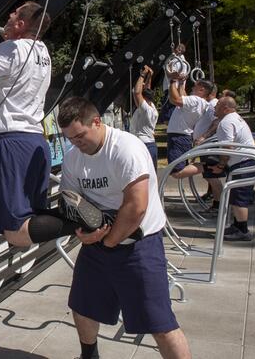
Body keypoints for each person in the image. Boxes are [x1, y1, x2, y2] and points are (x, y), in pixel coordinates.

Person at [58, 97, 191, 359]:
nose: (76, 143)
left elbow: (136, 206)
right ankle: (89, 356)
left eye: (80, 136)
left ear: (96, 122)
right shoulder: (74, 158)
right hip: (98, 243)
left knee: (160, 324)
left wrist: (108, 242)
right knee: (82, 307)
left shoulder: (126, 148)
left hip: (138, 244)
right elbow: (70, 199)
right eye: (70, 139)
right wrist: (84, 232)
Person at [0, 1, 93, 247]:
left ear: (21, 24)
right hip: (36, 141)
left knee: (15, 232)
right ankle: (79, 217)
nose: (8, 17)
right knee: (32, 216)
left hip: (11, 141)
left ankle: (76, 222)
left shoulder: (12, 48)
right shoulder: (42, 51)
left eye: (13, 15)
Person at [206, 96, 255, 241]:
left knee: (238, 198)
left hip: (244, 163)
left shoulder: (226, 123)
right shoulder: (234, 118)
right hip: (247, 161)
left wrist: (220, 166)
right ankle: (237, 225)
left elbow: (227, 148)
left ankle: (243, 231)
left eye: (217, 105)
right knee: (236, 195)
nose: (214, 107)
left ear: (225, 108)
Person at [166, 77, 213, 179]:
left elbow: (175, 99)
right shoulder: (200, 102)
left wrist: (173, 81)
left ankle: (210, 165)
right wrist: (182, 83)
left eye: (195, 86)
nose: (192, 88)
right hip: (182, 135)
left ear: (202, 90)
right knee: (178, 169)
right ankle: (209, 165)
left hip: (178, 136)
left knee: (176, 172)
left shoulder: (195, 100)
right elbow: (183, 97)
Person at [130, 65, 159, 167]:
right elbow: (147, 89)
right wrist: (149, 75)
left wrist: (142, 75)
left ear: (145, 99)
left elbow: (137, 92)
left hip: (143, 145)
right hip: (150, 144)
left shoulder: (145, 110)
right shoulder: (152, 107)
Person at [158, 43, 187, 123]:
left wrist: (173, 75)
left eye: (178, 49)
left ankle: (171, 123)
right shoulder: (171, 59)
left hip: (174, 88)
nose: (176, 50)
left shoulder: (181, 61)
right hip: (170, 87)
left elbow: (179, 75)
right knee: (170, 110)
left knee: (171, 110)